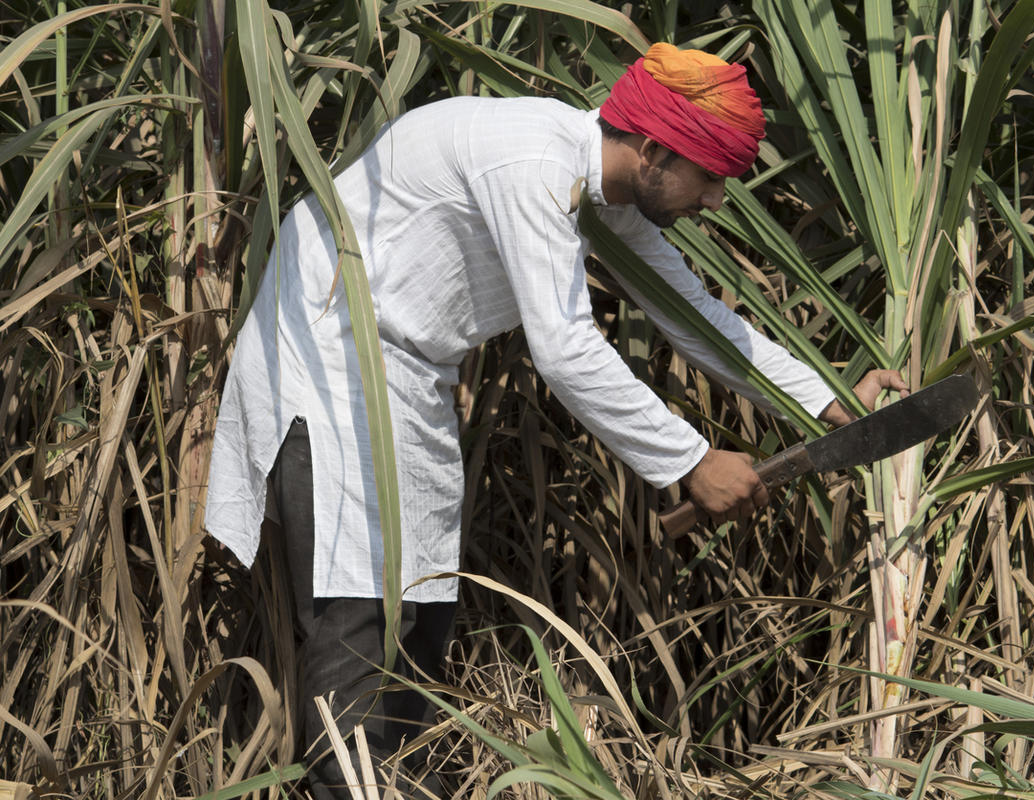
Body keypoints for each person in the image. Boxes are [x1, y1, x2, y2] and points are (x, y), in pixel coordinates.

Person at [204, 42, 907, 798]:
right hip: (328, 363)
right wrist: (691, 463)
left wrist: (830, 403)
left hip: (406, 381)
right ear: (650, 149)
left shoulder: (603, 203)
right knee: (359, 627)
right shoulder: (530, 164)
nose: (714, 201)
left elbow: (695, 320)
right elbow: (565, 350)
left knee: (421, 619)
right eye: (709, 177)